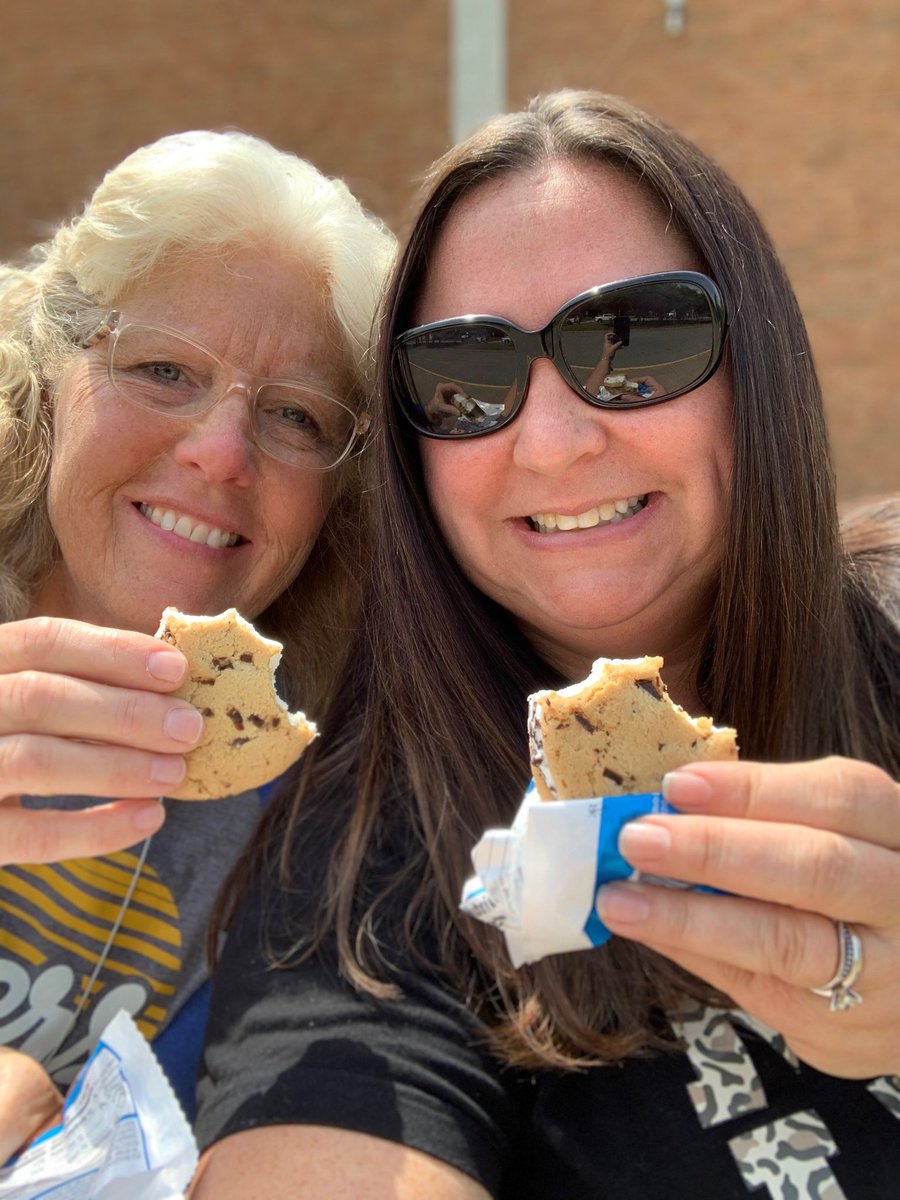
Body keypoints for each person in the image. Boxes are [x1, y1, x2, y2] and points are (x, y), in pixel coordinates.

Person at [191, 91, 900, 1199]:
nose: (557, 440)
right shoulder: (357, 881)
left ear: (758, 360)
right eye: (466, 379)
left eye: (639, 341)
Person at [0, 127, 395, 1143]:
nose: (221, 453)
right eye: (164, 368)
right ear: (55, 365)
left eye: (298, 418)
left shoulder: (320, 817)